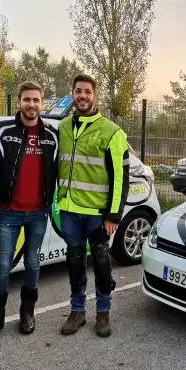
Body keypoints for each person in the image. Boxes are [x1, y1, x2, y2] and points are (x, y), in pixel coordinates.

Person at [0, 82, 58, 341]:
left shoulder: (51, 135)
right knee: (3, 266)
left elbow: (57, 170)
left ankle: (28, 312)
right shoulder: (2, 131)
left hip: (38, 213)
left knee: (33, 263)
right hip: (8, 213)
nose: (32, 105)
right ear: (19, 102)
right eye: (27, 99)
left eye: (36, 100)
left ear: (42, 102)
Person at [58, 74, 129, 337]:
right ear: (73, 94)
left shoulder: (111, 131)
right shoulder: (63, 127)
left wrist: (114, 215)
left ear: (94, 96)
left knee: (101, 262)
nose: (83, 96)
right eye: (78, 91)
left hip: (98, 216)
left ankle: (103, 313)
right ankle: (77, 312)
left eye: (87, 92)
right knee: (74, 261)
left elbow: (120, 178)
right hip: (69, 211)